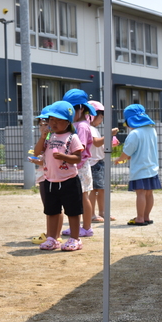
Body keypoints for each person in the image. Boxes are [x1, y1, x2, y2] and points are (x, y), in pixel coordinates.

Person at [33, 100, 84, 252]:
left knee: (73, 211)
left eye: (57, 120)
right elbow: (37, 152)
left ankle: (75, 239)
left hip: (69, 180)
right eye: (51, 120)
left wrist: (64, 157)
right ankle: (52, 238)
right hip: (50, 180)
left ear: (67, 122)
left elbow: (78, 158)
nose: (53, 123)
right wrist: (42, 137)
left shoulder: (72, 137)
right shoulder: (49, 137)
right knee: (52, 211)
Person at [115, 104, 162, 226]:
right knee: (149, 193)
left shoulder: (135, 133)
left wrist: (119, 159)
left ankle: (140, 218)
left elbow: (128, 151)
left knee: (140, 193)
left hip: (140, 168)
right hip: (152, 167)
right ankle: (146, 217)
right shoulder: (152, 130)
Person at [61, 89, 96, 238]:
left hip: (79, 166)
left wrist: (73, 163)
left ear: (81, 108)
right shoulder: (80, 123)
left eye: (72, 109)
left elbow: (79, 149)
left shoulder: (81, 126)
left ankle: (87, 227)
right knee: (77, 198)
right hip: (79, 165)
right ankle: (78, 226)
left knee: (83, 197)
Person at [29, 106, 62, 245]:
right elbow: (37, 152)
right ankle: (50, 234)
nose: (43, 127)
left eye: (46, 124)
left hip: (51, 176)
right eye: (40, 125)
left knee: (55, 207)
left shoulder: (55, 138)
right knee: (49, 208)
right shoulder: (46, 137)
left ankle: (56, 235)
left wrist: (41, 161)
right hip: (44, 176)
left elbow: (54, 158)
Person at [87, 100, 119, 222]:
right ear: (92, 116)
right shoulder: (90, 128)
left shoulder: (92, 128)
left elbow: (97, 144)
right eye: (100, 117)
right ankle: (93, 214)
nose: (101, 120)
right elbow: (96, 142)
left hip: (97, 162)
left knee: (101, 189)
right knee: (95, 190)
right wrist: (108, 134)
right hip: (94, 163)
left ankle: (102, 212)